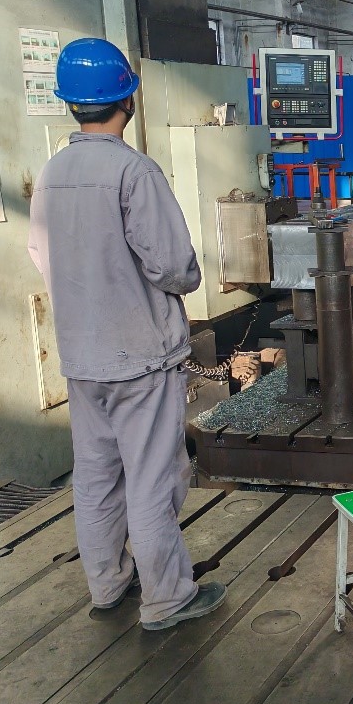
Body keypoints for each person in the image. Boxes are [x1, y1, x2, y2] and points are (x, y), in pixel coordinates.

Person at [28, 38, 226, 631]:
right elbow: (173, 267)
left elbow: (42, 256)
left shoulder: (51, 173)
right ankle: (166, 598)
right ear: (128, 98)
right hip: (140, 354)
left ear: (70, 104)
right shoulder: (133, 172)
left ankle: (108, 584)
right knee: (152, 477)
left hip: (81, 355)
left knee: (95, 474)